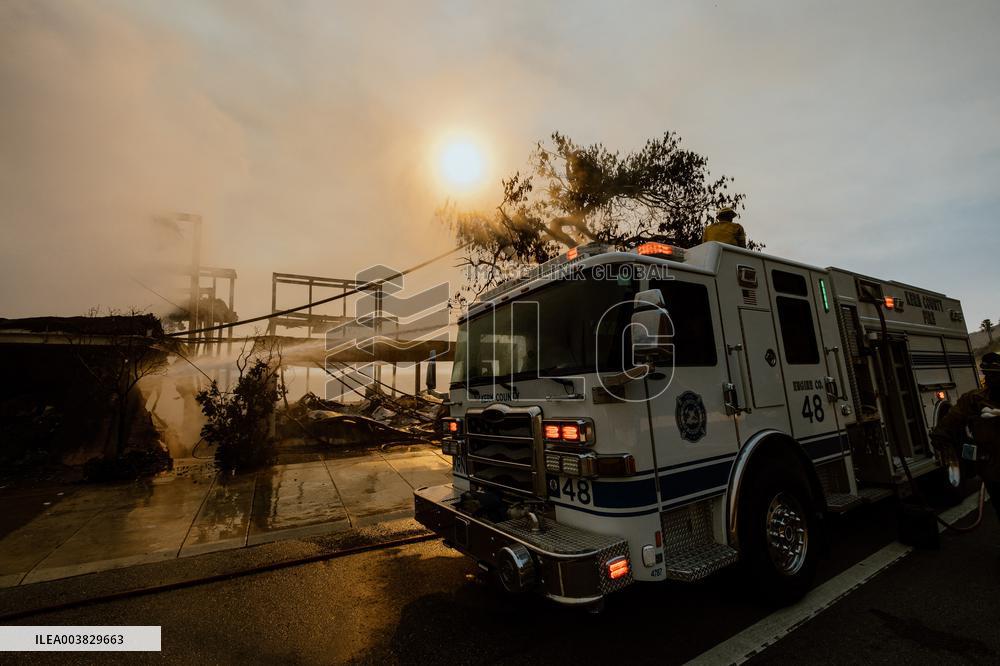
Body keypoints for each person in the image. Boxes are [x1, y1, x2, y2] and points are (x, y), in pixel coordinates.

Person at [931, 352, 1000, 526]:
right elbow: (947, 425)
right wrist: (945, 445)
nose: (989, 378)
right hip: (993, 469)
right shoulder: (973, 400)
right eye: (987, 373)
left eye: (994, 374)